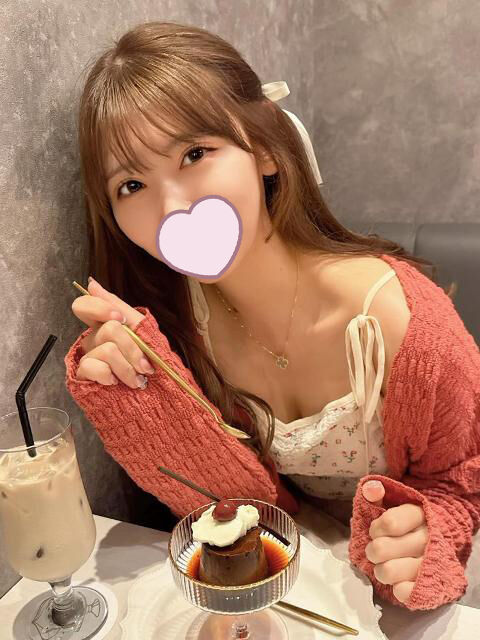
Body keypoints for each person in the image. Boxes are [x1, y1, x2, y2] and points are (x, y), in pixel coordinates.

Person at [65, 21, 480, 611]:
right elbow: (232, 511)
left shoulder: (405, 326)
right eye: (131, 184)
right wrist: (138, 400)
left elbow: (463, 482)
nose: (172, 207)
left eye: (194, 154)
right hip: (299, 587)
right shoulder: (174, 326)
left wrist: (426, 533)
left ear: (262, 146)